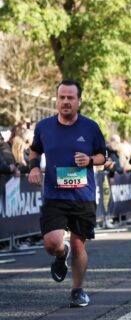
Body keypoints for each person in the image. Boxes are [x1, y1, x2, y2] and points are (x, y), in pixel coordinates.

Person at [27, 80, 107, 308]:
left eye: (70, 98)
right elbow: (35, 150)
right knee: (52, 243)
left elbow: (104, 156)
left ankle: (77, 290)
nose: (65, 102)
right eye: (61, 97)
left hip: (83, 197)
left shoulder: (90, 127)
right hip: (54, 195)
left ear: (79, 101)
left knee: (80, 244)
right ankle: (61, 255)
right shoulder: (44, 127)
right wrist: (33, 167)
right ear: (56, 99)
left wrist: (90, 160)